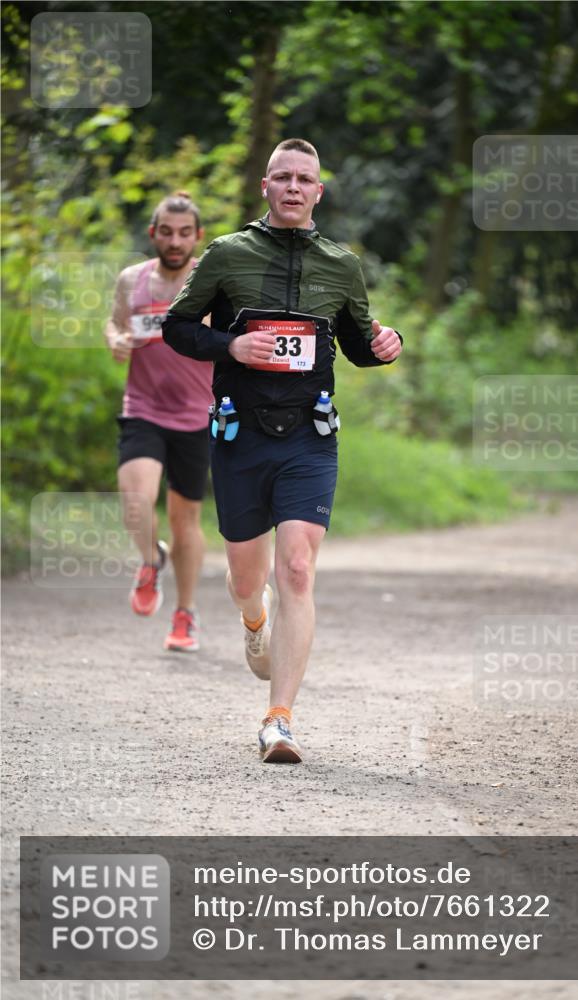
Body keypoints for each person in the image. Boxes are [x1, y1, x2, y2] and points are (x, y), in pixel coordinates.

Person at [163, 140, 402, 762]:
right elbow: (177, 327)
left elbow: (358, 344)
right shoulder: (227, 254)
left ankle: (279, 720)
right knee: (249, 579)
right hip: (239, 434)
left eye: (305, 179)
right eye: (283, 177)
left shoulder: (342, 265)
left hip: (309, 437)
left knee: (296, 568)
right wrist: (230, 346)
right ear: (265, 186)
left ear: (319, 192)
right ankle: (253, 620)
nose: (294, 187)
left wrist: (386, 345)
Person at [104, 191, 213, 652]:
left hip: (197, 415)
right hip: (144, 408)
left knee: (185, 522)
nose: (175, 241)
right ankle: (151, 560)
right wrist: (116, 339)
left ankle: (185, 615)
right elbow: (114, 323)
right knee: (135, 500)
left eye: (184, 233)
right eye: (166, 232)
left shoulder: (212, 281)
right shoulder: (133, 279)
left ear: (197, 236)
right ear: (153, 234)